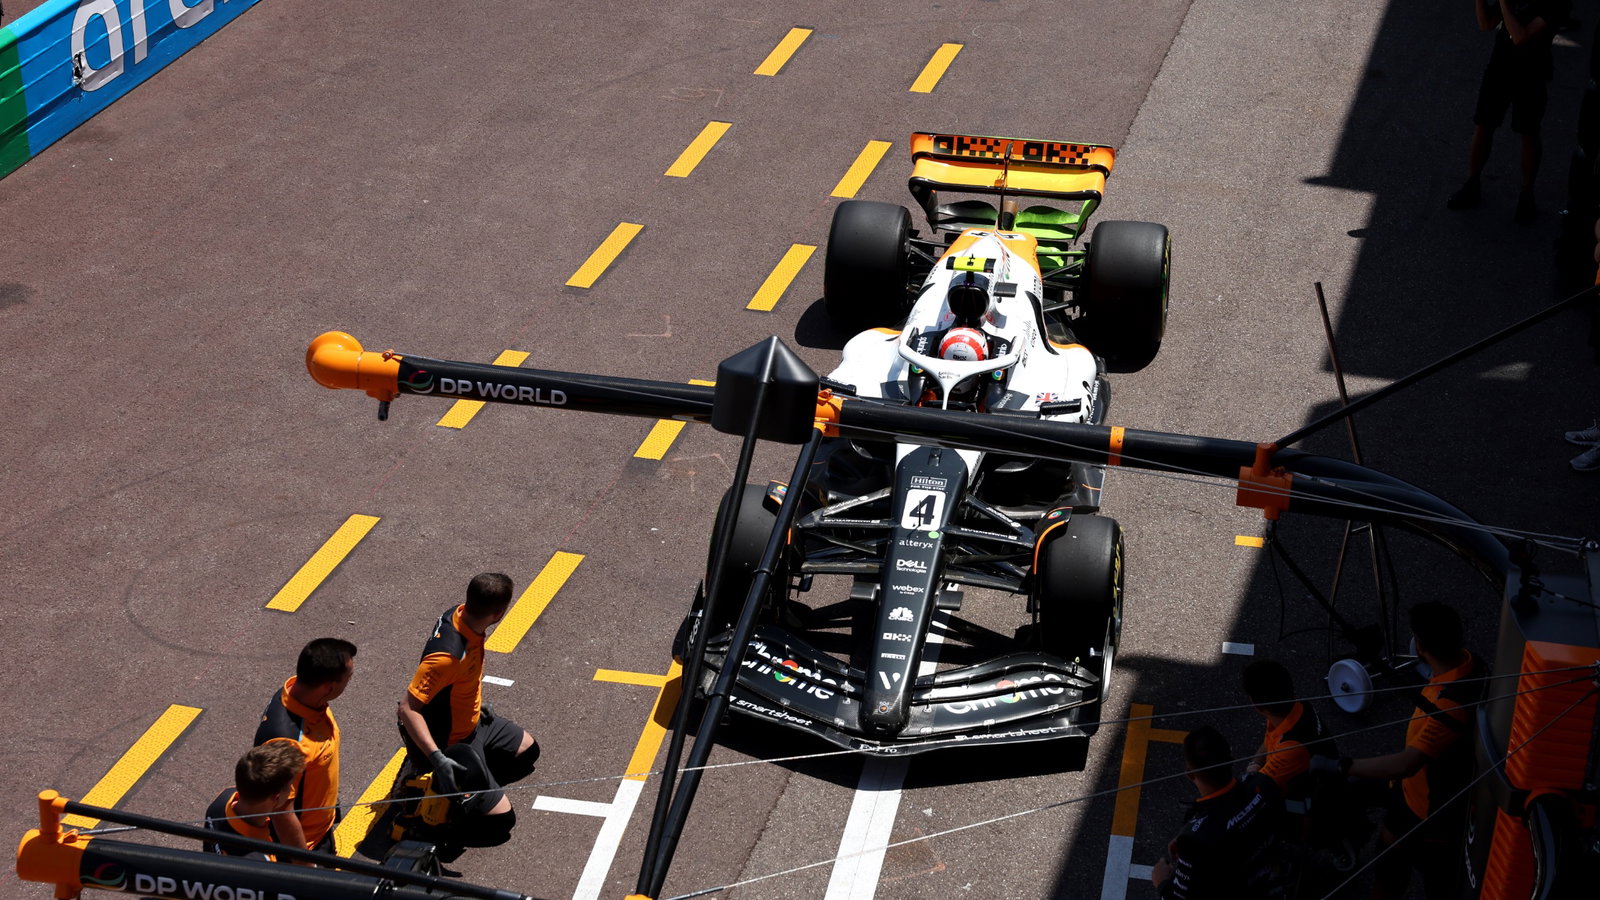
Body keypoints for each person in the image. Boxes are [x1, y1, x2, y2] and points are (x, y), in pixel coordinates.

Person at [1311, 602, 1486, 899]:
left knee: (1409, 872)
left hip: (1428, 812)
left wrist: (1342, 765)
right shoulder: (1472, 664)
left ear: (1419, 646)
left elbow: (1405, 764)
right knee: (1388, 848)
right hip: (1411, 795)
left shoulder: (1450, 706)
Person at [395, 572, 540, 856]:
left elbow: (462, 678)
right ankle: (425, 821)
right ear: (498, 613)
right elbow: (406, 709)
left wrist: (476, 700)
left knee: (528, 751)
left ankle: (470, 784)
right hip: (451, 741)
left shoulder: (463, 614)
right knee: (501, 824)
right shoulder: (447, 656)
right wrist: (438, 758)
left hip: (472, 721)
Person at [1447, 0, 1572, 223]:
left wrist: (1504, 3)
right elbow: (1486, 24)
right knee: (1484, 125)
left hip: (1533, 73)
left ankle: (1527, 194)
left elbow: (1520, 36)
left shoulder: (1557, 3)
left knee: (1529, 132)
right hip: (1500, 67)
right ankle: (1472, 183)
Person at [1151, 726, 1284, 899]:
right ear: (1231, 759)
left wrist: (1161, 882)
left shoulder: (1196, 840)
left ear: (1190, 773)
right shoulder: (1264, 784)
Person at [255, 637, 356, 853]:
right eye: (349, 678)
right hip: (306, 846)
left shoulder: (300, 693)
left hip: (322, 830)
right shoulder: (288, 741)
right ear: (328, 687)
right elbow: (281, 811)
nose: (350, 682)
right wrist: (304, 862)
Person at [1242, 659, 1337, 814]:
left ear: (1257, 706)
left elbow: (1258, 789)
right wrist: (1255, 763)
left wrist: (1251, 776)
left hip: (1309, 803)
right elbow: (1269, 741)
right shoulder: (1295, 708)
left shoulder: (1292, 747)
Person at [203, 741, 308, 861]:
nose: (291, 790)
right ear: (276, 798)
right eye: (289, 786)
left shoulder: (222, 799)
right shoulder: (259, 861)